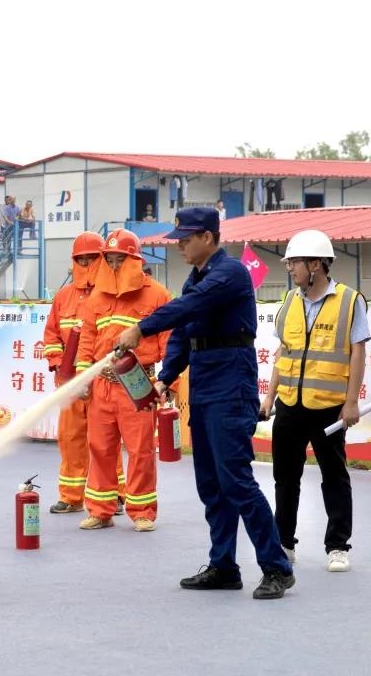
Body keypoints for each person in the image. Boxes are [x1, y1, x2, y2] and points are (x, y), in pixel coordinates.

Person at [116, 207, 295, 599]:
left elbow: (187, 309)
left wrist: (141, 328)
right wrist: (165, 378)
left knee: (236, 480)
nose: (179, 245)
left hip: (230, 384)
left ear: (209, 238)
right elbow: (184, 332)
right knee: (212, 484)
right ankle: (223, 566)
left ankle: (276, 567)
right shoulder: (196, 279)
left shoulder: (229, 274)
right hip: (204, 385)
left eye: (186, 238)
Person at [260, 229, 368, 573]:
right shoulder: (290, 301)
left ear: (316, 264)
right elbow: (283, 353)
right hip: (290, 404)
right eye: (289, 263)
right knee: (285, 477)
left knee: (334, 476)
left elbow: (357, 353)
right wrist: (270, 397)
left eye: (295, 262)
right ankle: (284, 542)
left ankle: (337, 546)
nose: (290, 268)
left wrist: (351, 403)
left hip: (329, 407)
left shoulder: (350, 301)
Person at [75, 228, 170, 532]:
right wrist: (83, 377)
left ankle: (142, 511)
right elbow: (87, 340)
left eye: (120, 259)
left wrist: (168, 384)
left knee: (141, 450)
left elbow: (171, 344)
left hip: (138, 384)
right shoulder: (97, 296)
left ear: (135, 260)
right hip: (102, 384)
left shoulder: (158, 295)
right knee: (100, 448)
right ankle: (100, 510)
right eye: (110, 260)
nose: (115, 266)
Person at [43, 232, 125, 515]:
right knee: (70, 438)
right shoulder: (63, 297)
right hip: (70, 382)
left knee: (105, 440)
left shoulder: (113, 294)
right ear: (74, 261)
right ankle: (71, 496)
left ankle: (114, 495)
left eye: (92, 258)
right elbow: (52, 336)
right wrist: (58, 363)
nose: (87, 264)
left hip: (103, 380)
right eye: (82, 259)